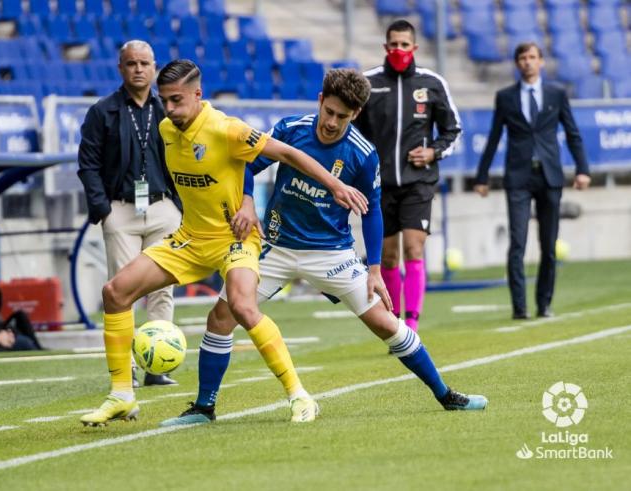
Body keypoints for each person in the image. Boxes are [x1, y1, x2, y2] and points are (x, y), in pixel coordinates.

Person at [159, 69, 487, 428]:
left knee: (386, 325)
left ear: (356, 114)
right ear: (319, 100)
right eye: (328, 111)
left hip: (331, 253)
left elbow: (372, 210)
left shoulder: (362, 154)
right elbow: (246, 166)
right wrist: (248, 202)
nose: (331, 122)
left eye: (342, 116)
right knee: (220, 318)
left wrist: (375, 269)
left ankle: (446, 395)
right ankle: (204, 407)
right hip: (276, 247)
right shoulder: (291, 129)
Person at [80, 60, 369, 427]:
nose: (169, 109)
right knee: (115, 292)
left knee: (244, 309)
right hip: (189, 239)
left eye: (177, 100)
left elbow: (289, 154)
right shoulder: (167, 129)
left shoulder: (227, 129)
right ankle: (121, 395)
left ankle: (300, 396)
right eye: (164, 100)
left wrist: (335, 185)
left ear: (198, 95)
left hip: (235, 241)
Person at [77, 40, 182, 386]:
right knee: (122, 290)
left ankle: (158, 367)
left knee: (163, 289)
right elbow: (88, 164)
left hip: (163, 207)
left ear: (154, 68)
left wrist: (181, 206)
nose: (138, 69)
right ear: (120, 68)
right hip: (120, 210)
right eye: (131, 63)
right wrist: (103, 209)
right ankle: (126, 370)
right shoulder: (102, 111)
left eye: (144, 63)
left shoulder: (169, 108)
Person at [354, 20, 461, 332]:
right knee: (387, 258)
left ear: (414, 47)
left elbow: (453, 129)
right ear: (385, 47)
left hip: (419, 182)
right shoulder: (368, 83)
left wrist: (433, 152)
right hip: (380, 185)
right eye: (393, 44)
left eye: (404, 44)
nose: (399, 49)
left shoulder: (432, 83)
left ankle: (412, 323)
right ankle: (394, 320)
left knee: (414, 248)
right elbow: (353, 130)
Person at [474, 42, 590, 319]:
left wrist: (583, 169)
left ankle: (544, 304)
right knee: (518, 243)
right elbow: (493, 137)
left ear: (541, 62)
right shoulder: (505, 97)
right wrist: (482, 176)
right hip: (518, 178)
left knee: (548, 245)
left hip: (550, 177)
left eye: (532, 57)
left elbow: (572, 133)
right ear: (517, 64)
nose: (527, 62)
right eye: (523, 58)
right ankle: (520, 307)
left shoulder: (556, 94)